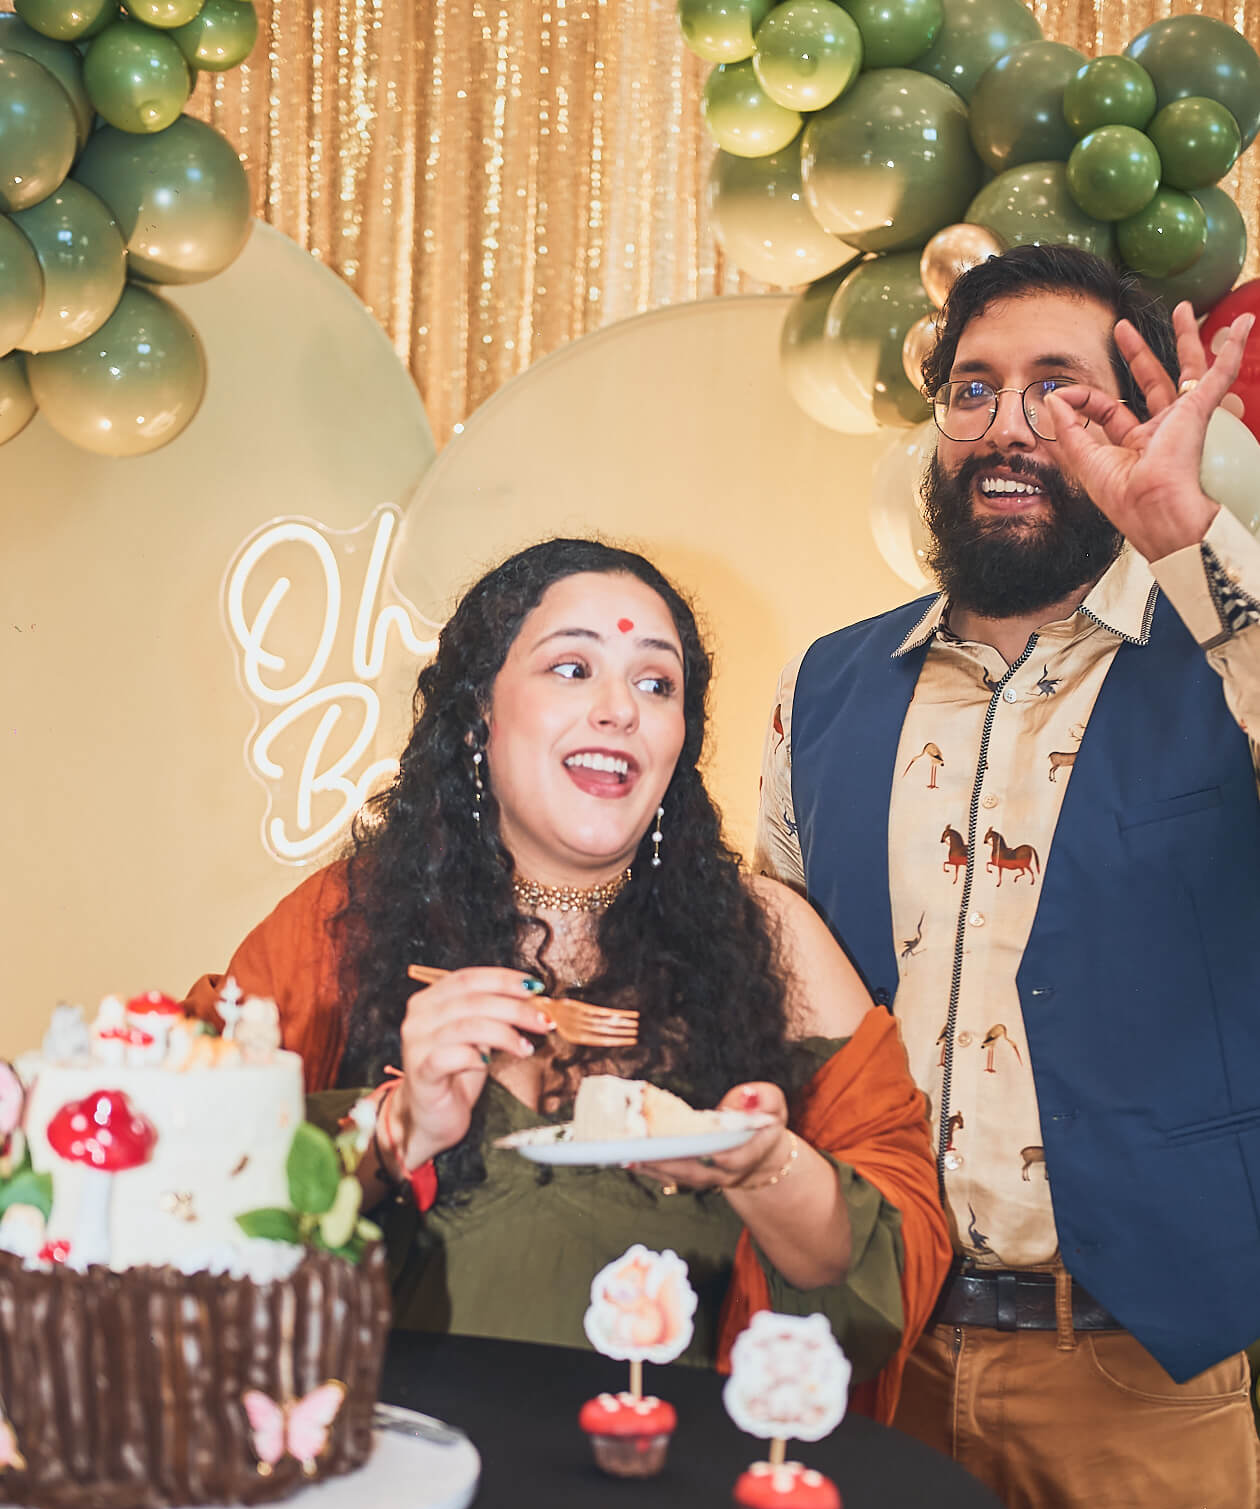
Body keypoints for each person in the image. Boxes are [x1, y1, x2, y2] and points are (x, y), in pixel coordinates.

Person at [757, 242, 1260, 1509]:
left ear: (1139, 418)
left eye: (1063, 390)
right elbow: (777, 981)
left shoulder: (1217, 654)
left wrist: (1189, 540)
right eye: (974, 388)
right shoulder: (827, 689)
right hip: (882, 1358)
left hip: (1141, 1368)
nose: (1009, 425)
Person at [188, 537, 950, 1414]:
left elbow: (889, 1277)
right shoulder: (342, 922)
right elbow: (186, 1184)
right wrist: (397, 1129)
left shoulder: (773, 936)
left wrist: (764, 1168)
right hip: (395, 1465)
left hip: (667, 1474)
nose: (620, 709)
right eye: (572, 669)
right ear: (478, 712)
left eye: (656, 684)